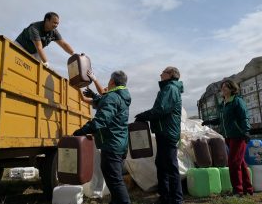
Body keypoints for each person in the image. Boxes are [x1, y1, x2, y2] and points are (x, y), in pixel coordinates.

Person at [73, 70, 131, 204]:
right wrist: (94, 95)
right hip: (119, 144)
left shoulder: (112, 97)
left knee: (115, 181)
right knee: (114, 179)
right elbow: (105, 102)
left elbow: (101, 120)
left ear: (112, 82)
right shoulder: (120, 96)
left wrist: (81, 131)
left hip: (111, 145)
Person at [134, 66, 184, 204]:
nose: (160, 74)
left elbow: (161, 109)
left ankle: (176, 199)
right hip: (165, 131)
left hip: (168, 132)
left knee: (170, 166)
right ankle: (165, 196)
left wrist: (144, 116)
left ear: (170, 75)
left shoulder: (170, 88)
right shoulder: (168, 88)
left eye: (163, 72)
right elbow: (160, 109)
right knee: (162, 164)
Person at [202, 79, 253, 196]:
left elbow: (244, 117)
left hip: (238, 135)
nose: (223, 89)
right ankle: (247, 189)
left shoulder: (237, 101)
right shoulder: (224, 103)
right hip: (229, 136)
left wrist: (246, 131)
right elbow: (222, 119)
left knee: (233, 163)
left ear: (232, 88)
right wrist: (210, 121)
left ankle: (238, 190)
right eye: (222, 87)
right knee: (240, 163)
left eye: (226, 87)